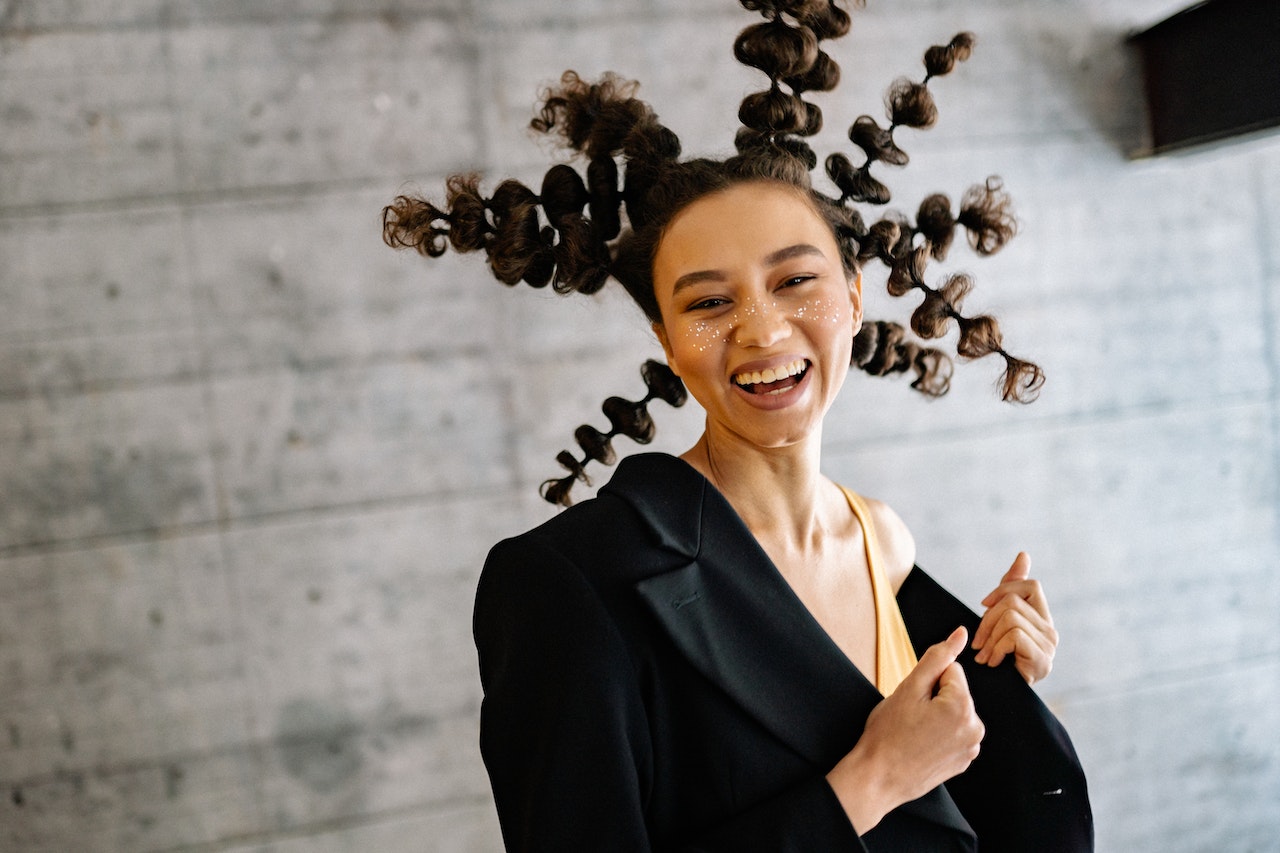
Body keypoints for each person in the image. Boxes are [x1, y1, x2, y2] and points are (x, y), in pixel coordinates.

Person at [383, 2, 1093, 849]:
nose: (760, 331)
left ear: (854, 298)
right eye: (710, 302)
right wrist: (866, 782)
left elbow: (962, 793)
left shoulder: (882, 540)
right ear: (669, 343)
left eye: (795, 282)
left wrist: (1004, 676)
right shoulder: (566, 585)